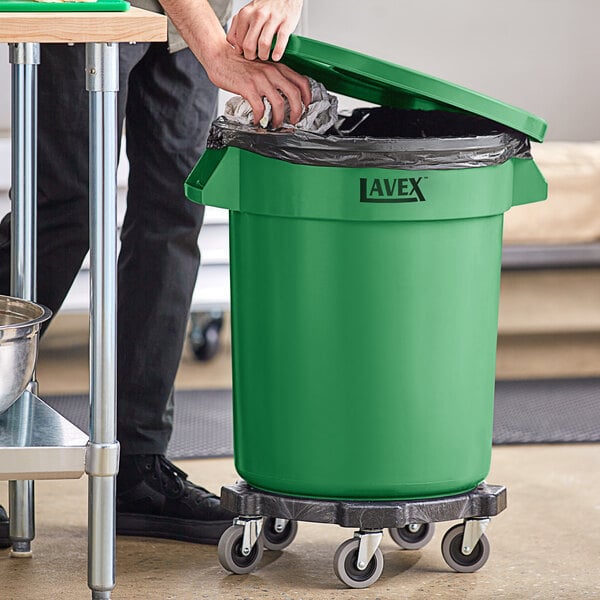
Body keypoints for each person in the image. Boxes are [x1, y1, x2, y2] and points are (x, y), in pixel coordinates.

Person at [0, 0, 309, 547]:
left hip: (192, 18)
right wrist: (215, 48)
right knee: (64, 208)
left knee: (173, 209)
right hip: (91, 7)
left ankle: (137, 466)